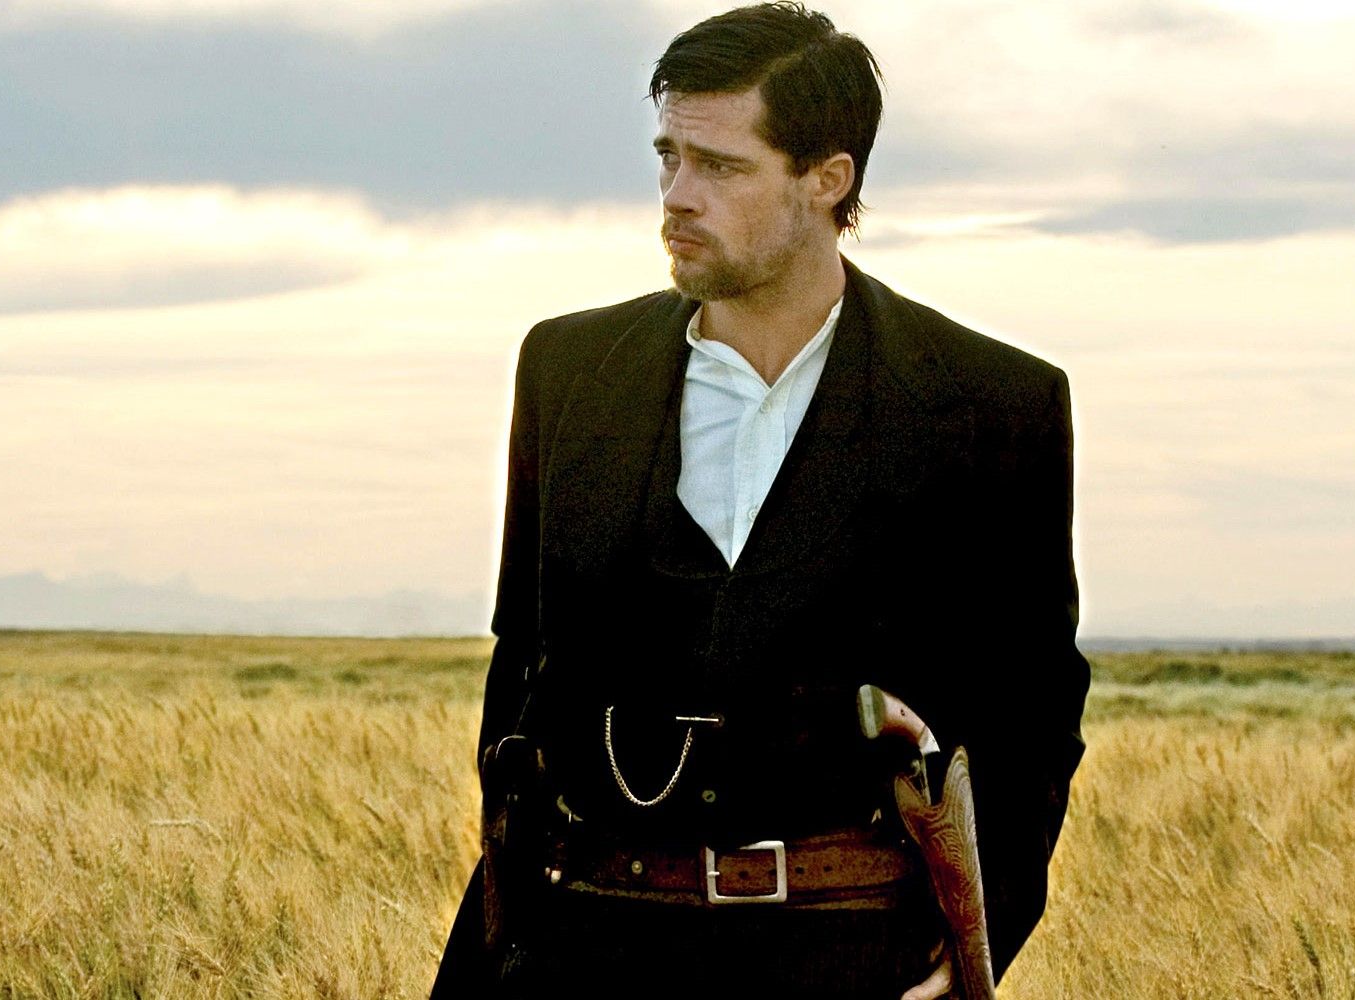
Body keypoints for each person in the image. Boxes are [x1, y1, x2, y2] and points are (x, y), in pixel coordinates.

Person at [429, 4, 1088, 997]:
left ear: (826, 181)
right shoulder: (565, 369)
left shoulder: (987, 403)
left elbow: (1028, 705)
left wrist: (970, 938)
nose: (675, 197)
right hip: (580, 945)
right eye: (666, 158)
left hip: (847, 957)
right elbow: (520, 662)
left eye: (720, 167)